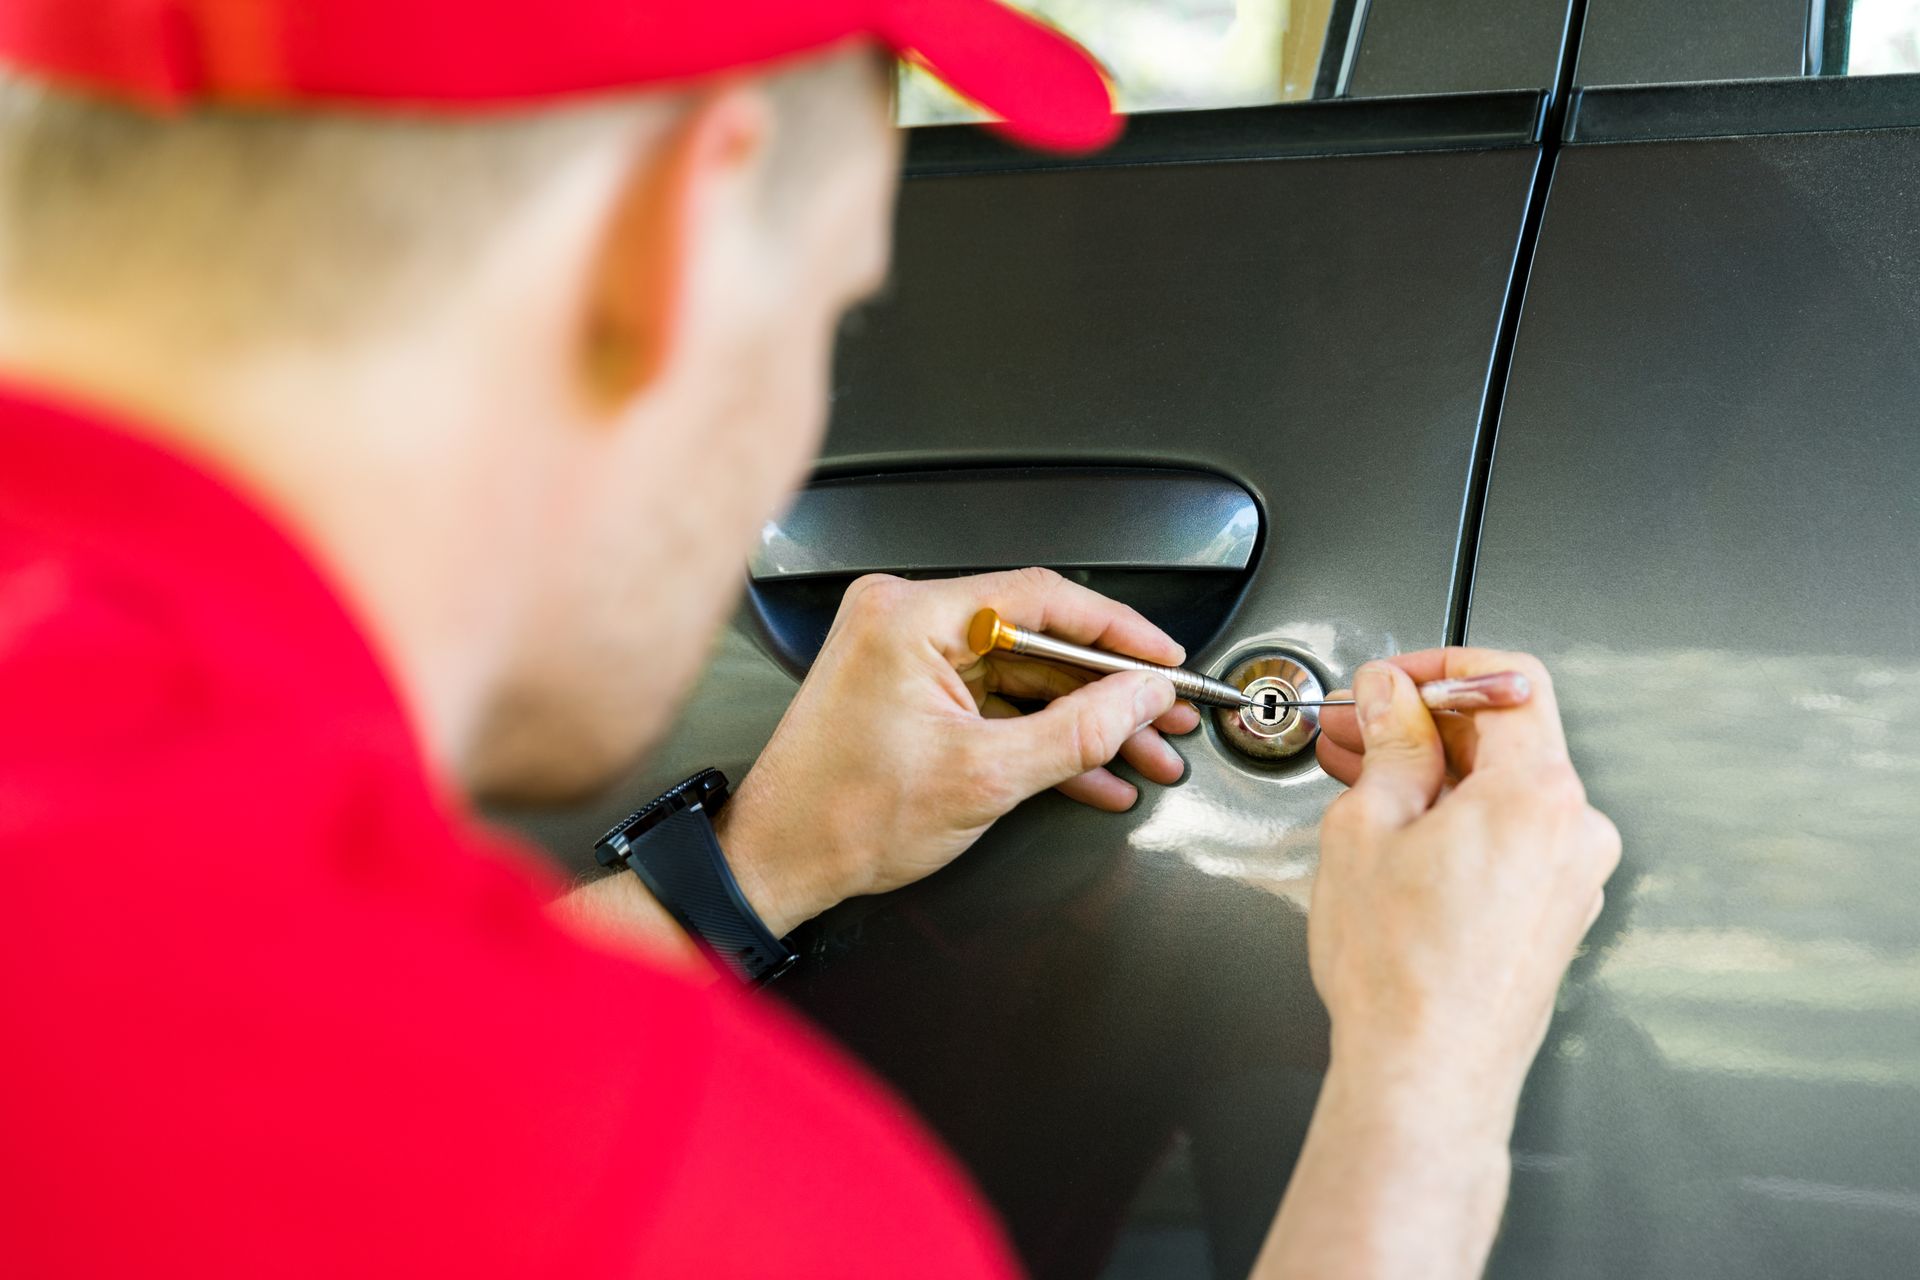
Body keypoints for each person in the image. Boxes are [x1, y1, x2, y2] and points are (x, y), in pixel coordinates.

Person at [0, 2, 1619, 1277]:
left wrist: (756, 862)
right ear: (671, 244)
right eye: (831, 321)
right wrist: (1430, 1084)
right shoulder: (685, 1201)